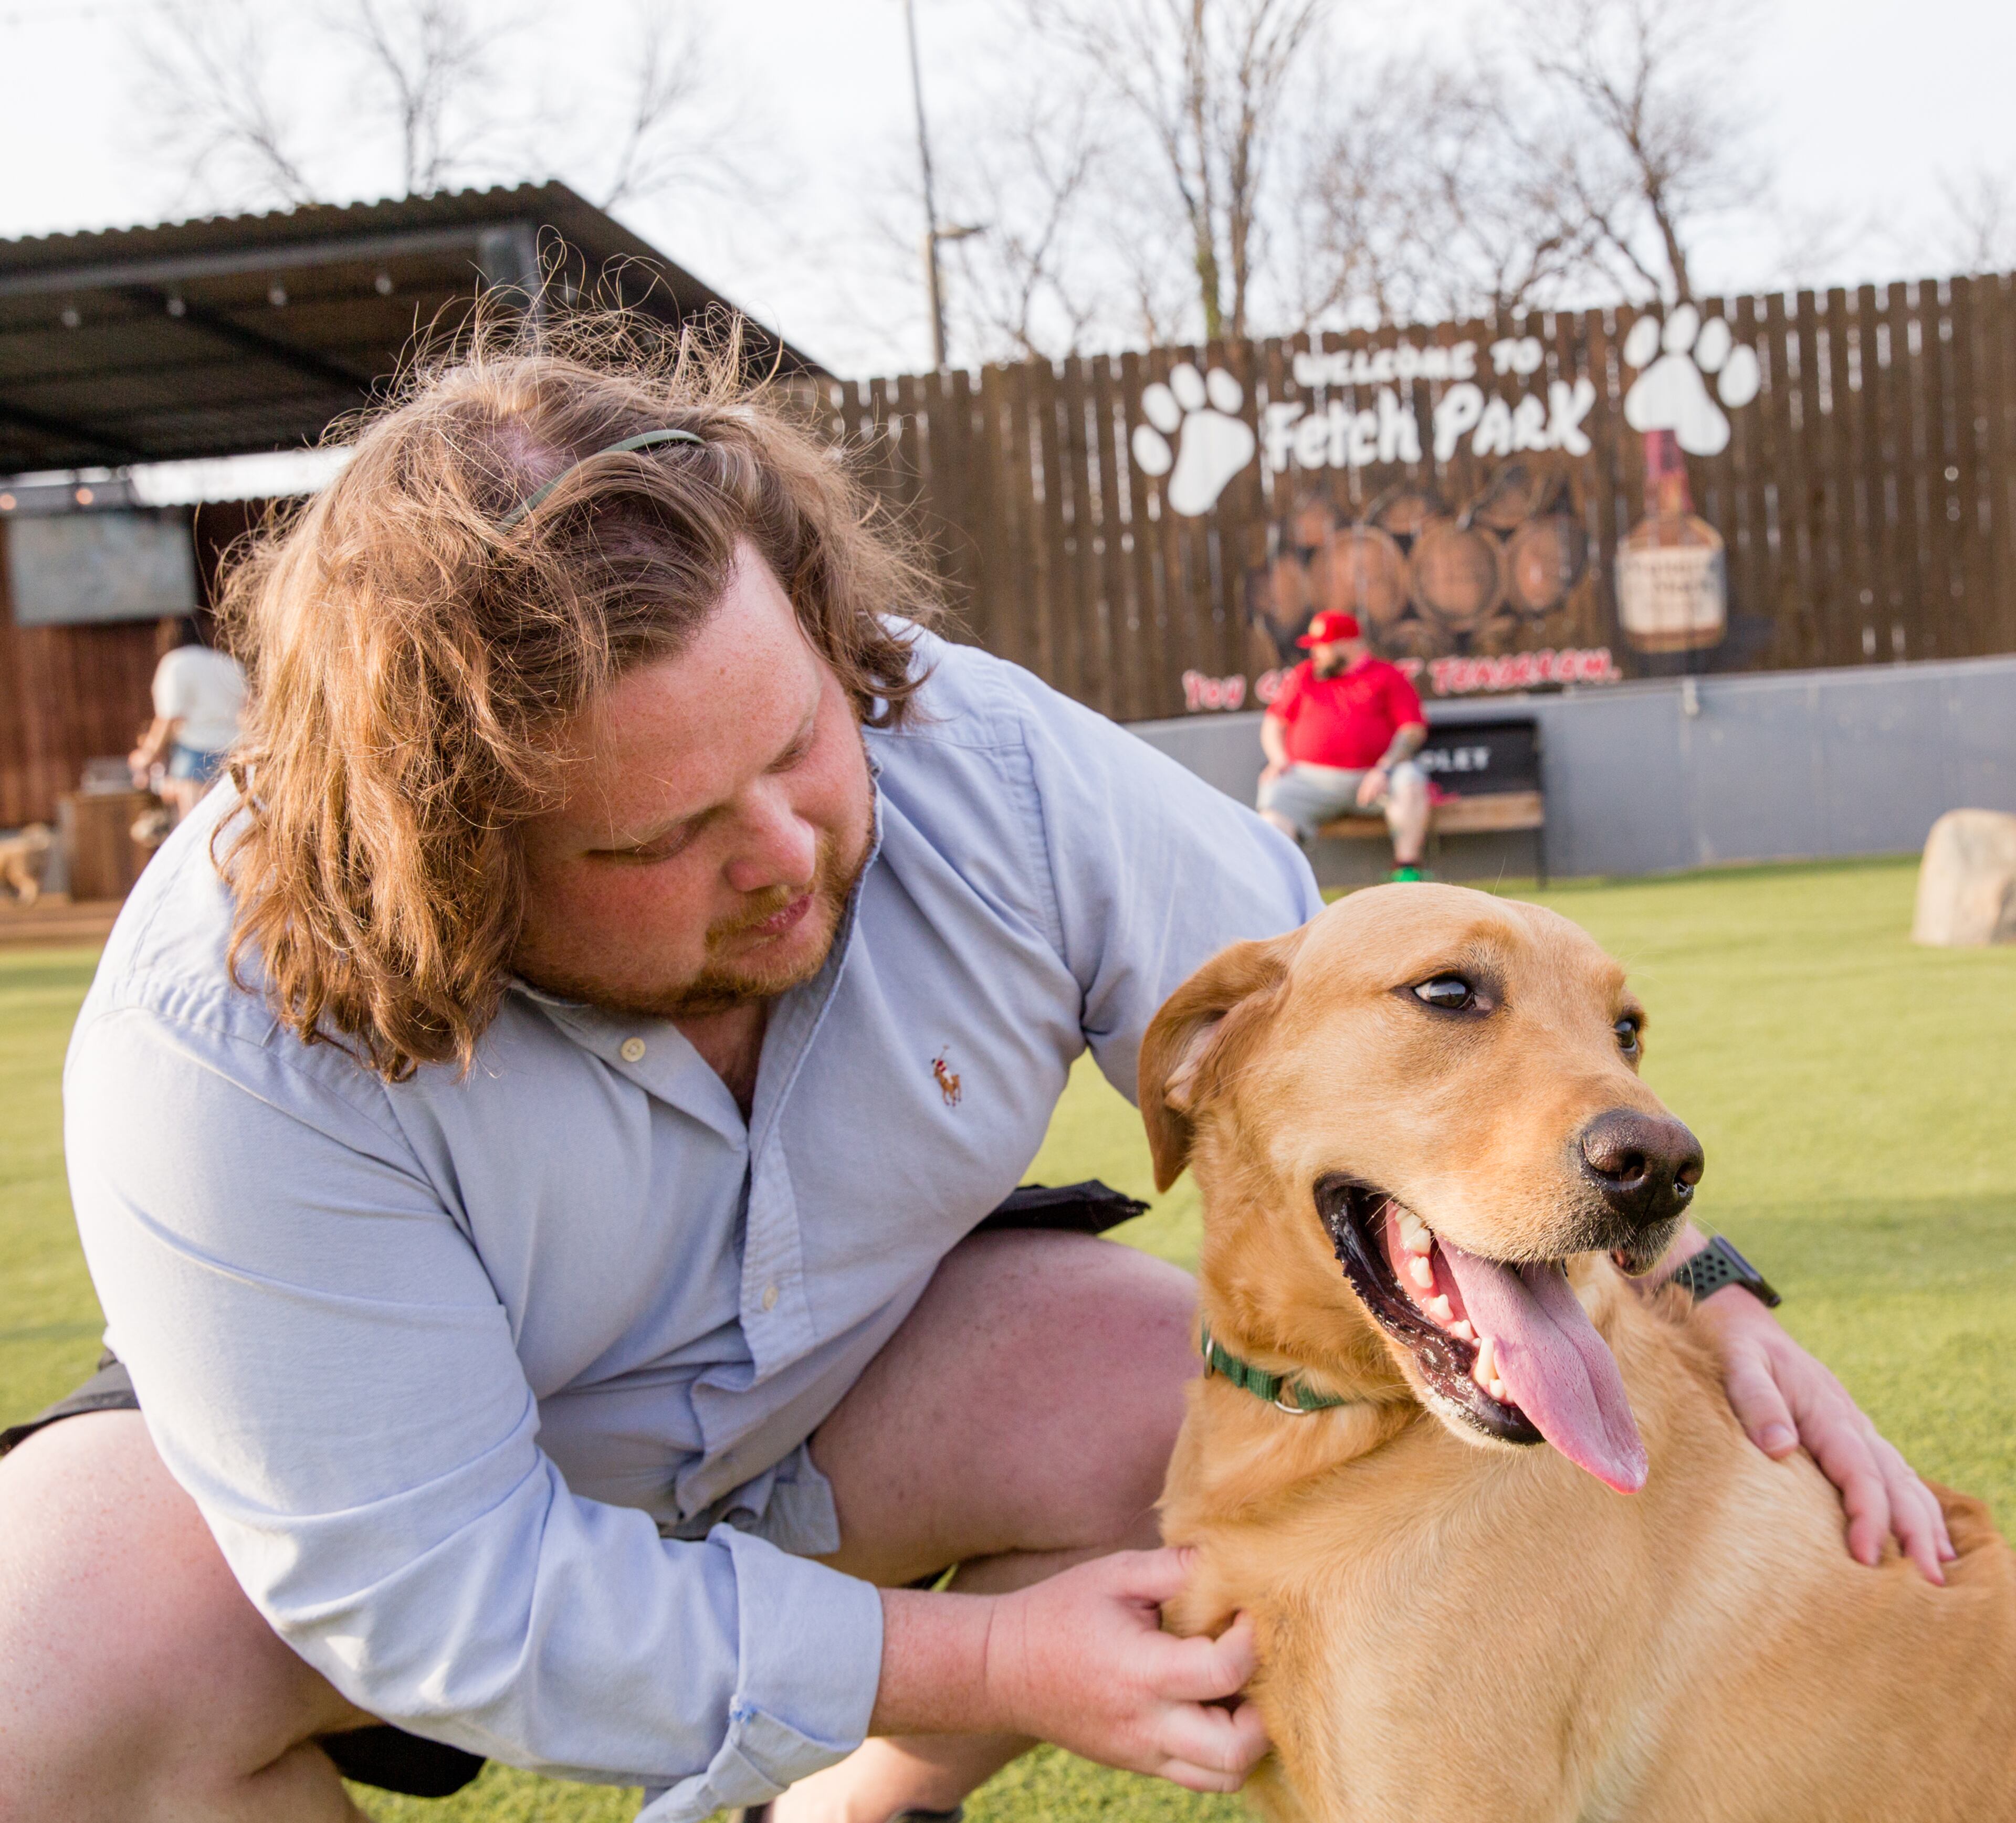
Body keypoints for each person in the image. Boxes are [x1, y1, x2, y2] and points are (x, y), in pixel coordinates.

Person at [0, 326, 1954, 1823]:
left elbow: (1339, 1030)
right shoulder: (220, 1029)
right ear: (445, 850)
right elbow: (437, 1589)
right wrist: (988, 1647)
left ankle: (853, 1807)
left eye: (798, 742)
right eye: (656, 841)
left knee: (1181, 1390)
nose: (786, 846)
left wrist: (1692, 1288)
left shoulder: (975, 754)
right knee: (42, 1682)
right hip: (440, 1476)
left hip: (855, 1373)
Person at [1257, 608, 1432, 881]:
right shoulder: (1305, 675)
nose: (1315, 653)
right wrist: (1278, 759)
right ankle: (1282, 883)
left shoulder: (1387, 675)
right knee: (1275, 795)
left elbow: (1412, 729)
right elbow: (1273, 724)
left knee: (1410, 780)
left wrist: (1383, 770)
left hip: (1374, 778)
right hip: (1313, 781)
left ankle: (1407, 873)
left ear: (1348, 644)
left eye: (1322, 646)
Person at [128, 614, 249, 823]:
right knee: (236, 826)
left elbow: (170, 718)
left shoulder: (176, 663)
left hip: (196, 757)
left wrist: (148, 755)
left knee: (198, 828)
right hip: (237, 754)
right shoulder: (230, 663)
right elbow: (248, 711)